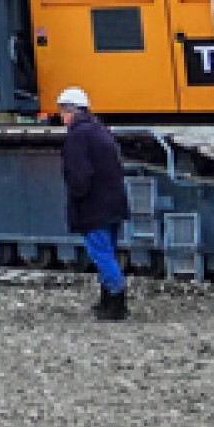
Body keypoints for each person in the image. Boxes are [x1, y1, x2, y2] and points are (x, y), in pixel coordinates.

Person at [57, 87, 129, 321]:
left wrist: (77, 197)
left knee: (101, 254)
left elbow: (79, 174)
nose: (61, 117)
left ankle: (117, 303)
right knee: (108, 252)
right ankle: (108, 300)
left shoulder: (78, 135)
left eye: (62, 112)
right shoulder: (101, 130)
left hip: (94, 205)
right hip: (114, 203)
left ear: (71, 111)